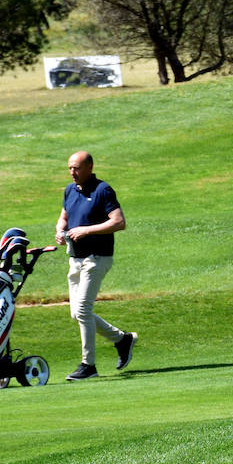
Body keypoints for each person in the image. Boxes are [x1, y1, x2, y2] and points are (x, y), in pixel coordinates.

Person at [55, 150, 137, 381]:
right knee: (77, 313)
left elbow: (119, 222)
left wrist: (86, 230)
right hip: (75, 258)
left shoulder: (103, 190)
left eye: (77, 168)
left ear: (89, 167)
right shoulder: (70, 190)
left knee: (82, 310)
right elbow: (64, 216)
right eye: (70, 168)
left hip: (97, 257)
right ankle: (122, 340)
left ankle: (88, 366)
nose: (73, 172)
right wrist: (60, 231)